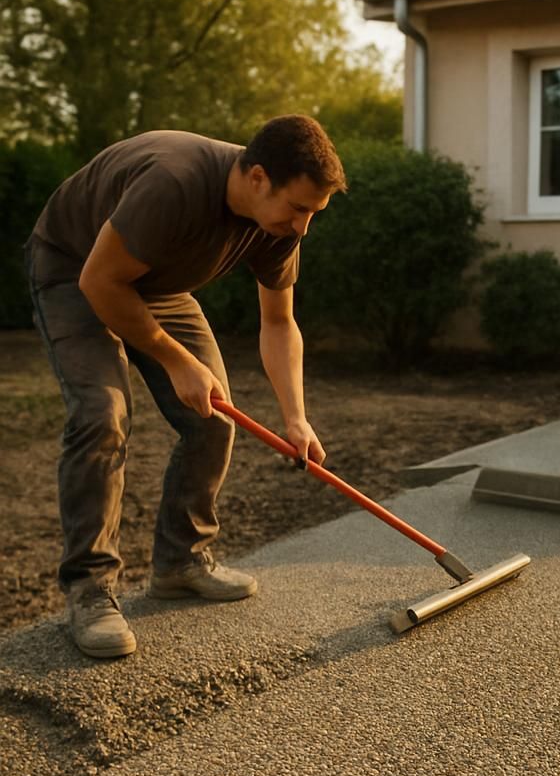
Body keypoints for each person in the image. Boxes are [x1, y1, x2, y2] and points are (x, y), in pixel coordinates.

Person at [25, 114, 346, 659]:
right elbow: (99, 281)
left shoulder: (276, 226)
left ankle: (180, 561)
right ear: (258, 178)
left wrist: (296, 418)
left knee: (213, 415)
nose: (303, 228)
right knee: (102, 416)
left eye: (313, 214)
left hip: (156, 285)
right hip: (76, 272)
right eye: (298, 209)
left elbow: (278, 323)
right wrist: (177, 362)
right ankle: (89, 588)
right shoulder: (175, 183)